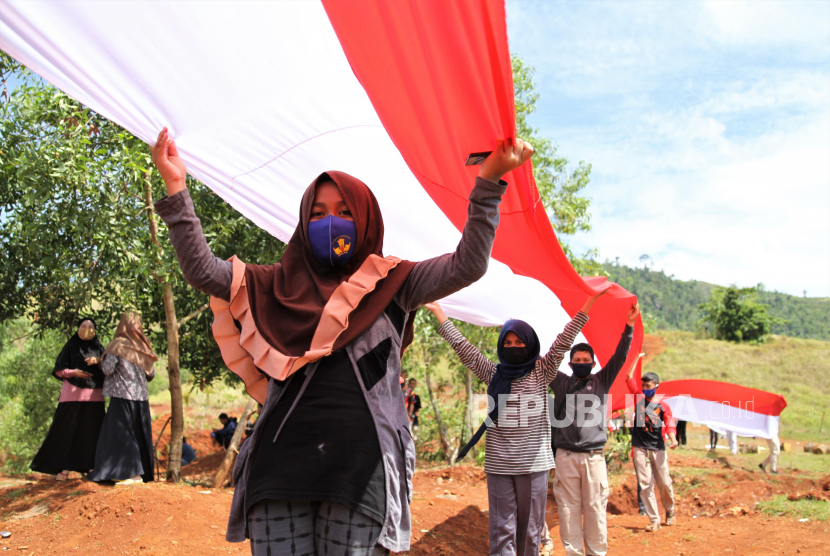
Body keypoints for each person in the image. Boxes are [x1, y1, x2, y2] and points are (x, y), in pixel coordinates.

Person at [150, 127, 533, 555]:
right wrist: (176, 187)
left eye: (343, 211)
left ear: (366, 218)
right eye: (317, 213)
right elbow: (204, 271)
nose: (329, 223)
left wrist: (489, 183)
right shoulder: (271, 284)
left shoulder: (395, 284)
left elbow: (468, 265)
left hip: (361, 470)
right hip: (279, 469)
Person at [426, 289, 609, 556]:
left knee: (530, 530)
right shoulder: (493, 373)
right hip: (499, 464)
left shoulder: (542, 371)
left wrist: (589, 302)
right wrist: (440, 315)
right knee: (502, 529)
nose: (513, 348)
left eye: (519, 343)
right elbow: (465, 351)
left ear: (530, 344)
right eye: (508, 343)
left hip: (534, 466)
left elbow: (563, 340)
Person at [549, 298, 639, 556]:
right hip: (565, 457)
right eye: (576, 359)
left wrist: (629, 327)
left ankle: (597, 553)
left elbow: (620, 356)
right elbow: (551, 356)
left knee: (596, 508)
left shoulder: (602, 381)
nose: (581, 361)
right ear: (569, 364)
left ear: (593, 362)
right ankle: (573, 553)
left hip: (593, 458)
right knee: (567, 509)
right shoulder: (561, 382)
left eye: (586, 358)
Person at [30, 318, 106, 480]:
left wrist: (98, 361)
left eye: (91, 327)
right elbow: (59, 369)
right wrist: (74, 372)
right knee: (65, 432)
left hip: (95, 397)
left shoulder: (99, 348)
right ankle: (62, 470)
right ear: (77, 329)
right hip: (72, 396)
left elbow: (109, 368)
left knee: (92, 434)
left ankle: (92, 469)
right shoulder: (71, 346)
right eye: (83, 326)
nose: (87, 329)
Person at [89, 311, 158, 485]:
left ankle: (131, 474)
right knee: (138, 434)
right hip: (141, 398)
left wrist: (99, 360)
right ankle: (142, 474)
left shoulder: (118, 345)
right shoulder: (143, 346)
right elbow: (151, 374)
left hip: (122, 396)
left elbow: (108, 369)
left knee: (121, 435)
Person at [624, 365, 678, 533]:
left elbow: (670, 425)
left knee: (665, 483)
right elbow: (628, 376)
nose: (645, 388)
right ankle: (654, 519)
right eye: (643, 385)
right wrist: (637, 357)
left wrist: (673, 439)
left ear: (656, 386)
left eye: (649, 385)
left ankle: (670, 510)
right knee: (645, 484)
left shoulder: (663, 406)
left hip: (658, 448)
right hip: (640, 448)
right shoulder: (639, 399)